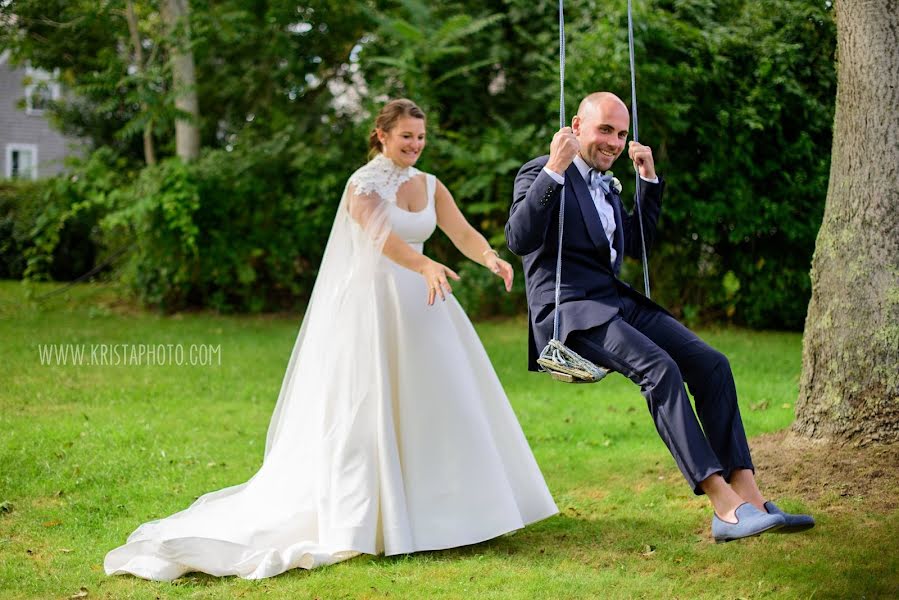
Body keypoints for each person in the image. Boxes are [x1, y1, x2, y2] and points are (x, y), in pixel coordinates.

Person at [104, 99, 557, 581]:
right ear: (381, 135)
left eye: (421, 137)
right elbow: (382, 238)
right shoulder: (361, 185)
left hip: (427, 306)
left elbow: (459, 230)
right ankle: (380, 517)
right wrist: (423, 264)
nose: (415, 145)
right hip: (377, 307)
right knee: (374, 410)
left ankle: (457, 512)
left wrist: (489, 257)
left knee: (444, 401)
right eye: (406, 136)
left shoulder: (430, 185)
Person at [505, 91, 814, 543]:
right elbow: (518, 237)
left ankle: (750, 495)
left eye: (622, 133)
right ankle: (724, 508)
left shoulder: (608, 185)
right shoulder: (543, 169)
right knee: (660, 370)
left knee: (712, 364)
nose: (614, 142)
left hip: (615, 300)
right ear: (576, 125)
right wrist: (555, 167)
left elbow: (635, 246)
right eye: (605, 130)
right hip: (569, 311)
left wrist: (646, 182)